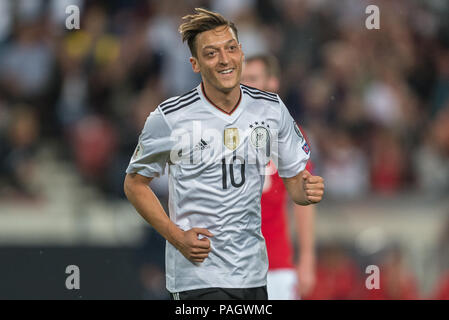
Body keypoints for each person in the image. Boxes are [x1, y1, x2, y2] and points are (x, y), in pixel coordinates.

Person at [123, 8, 324, 300]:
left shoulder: (271, 109)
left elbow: (295, 183)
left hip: (254, 274)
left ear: (241, 52)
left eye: (230, 49)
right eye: (211, 53)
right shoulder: (170, 118)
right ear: (195, 64)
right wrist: (177, 237)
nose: (224, 59)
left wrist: (306, 189)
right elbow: (134, 183)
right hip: (198, 276)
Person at [242, 54, 317, 300]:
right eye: (242, 79)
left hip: (274, 263)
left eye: (253, 78)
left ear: (272, 83)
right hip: (227, 266)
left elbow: (304, 200)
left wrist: (306, 258)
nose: (245, 85)